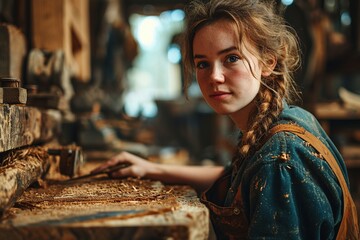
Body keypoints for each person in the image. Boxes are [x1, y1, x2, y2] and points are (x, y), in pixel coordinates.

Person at [91, 0, 359, 239]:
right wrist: (150, 169)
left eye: (231, 58)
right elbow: (234, 180)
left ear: (268, 63)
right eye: (203, 64)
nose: (214, 77)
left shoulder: (279, 157)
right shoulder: (285, 120)